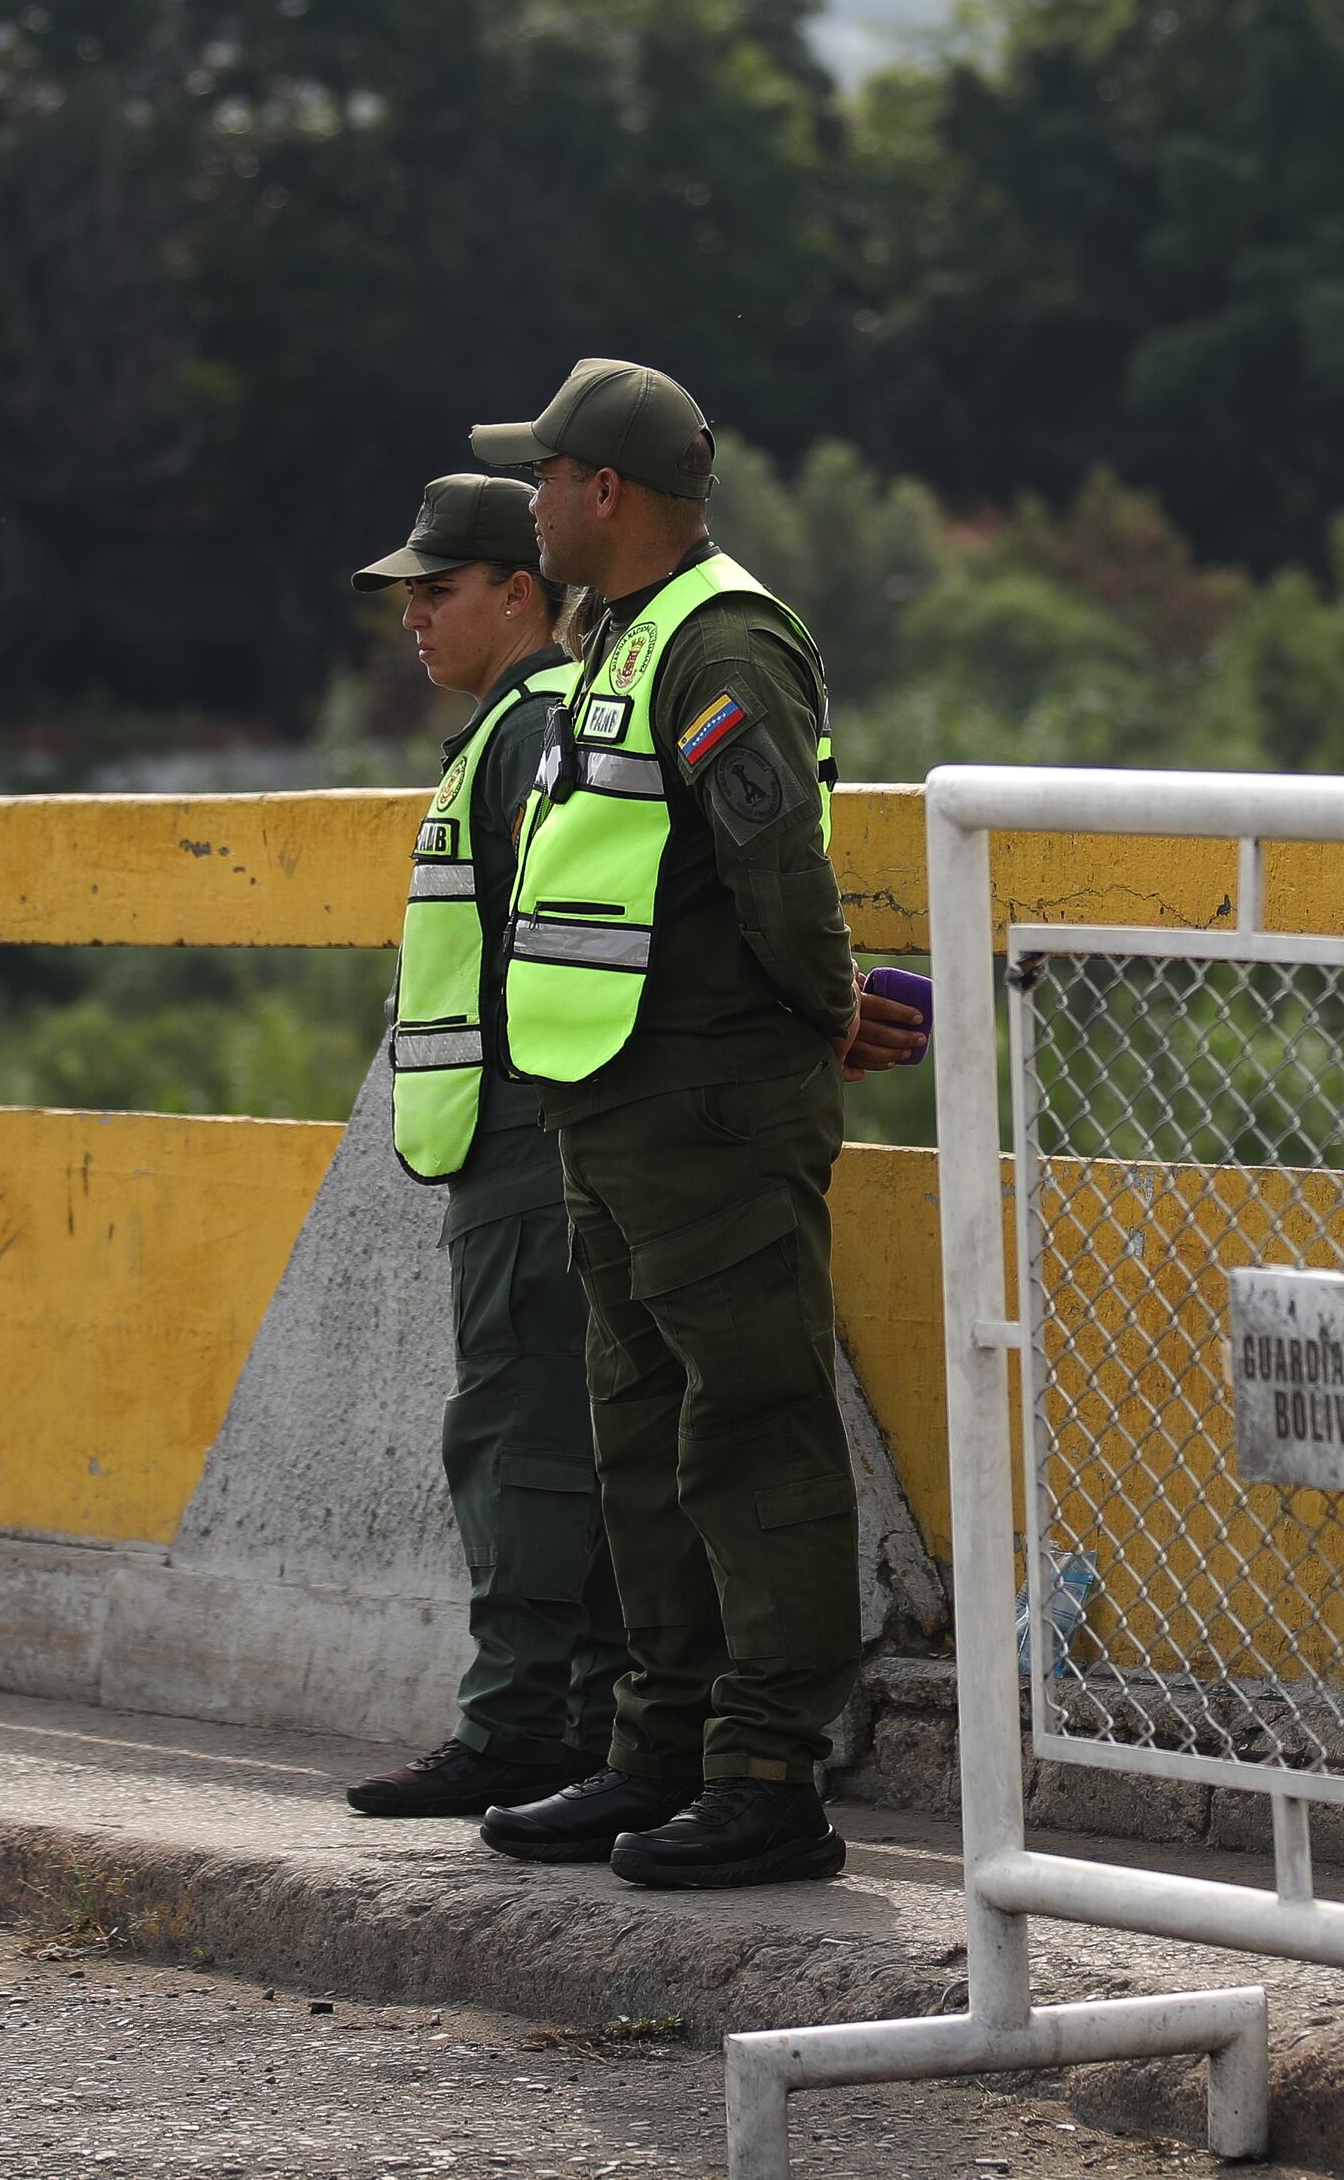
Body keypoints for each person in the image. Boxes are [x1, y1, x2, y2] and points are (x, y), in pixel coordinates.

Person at [462, 356, 925, 1890]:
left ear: (607, 490)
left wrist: (819, 1013)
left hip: (715, 1105)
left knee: (753, 1426)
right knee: (644, 1435)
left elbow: (779, 870)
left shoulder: (722, 642)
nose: (528, 502)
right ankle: (656, 1748)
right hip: (617, 1104)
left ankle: (769, 1771)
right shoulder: (624, 639)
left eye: (541, 477)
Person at [338, 473, 629, 1821]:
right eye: (407, 594)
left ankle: (521, 1729)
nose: (413, 616)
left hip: (530, 1148)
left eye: (439, 588)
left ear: (523, 591)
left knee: (519, 1440)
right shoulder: (526, 727)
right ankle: (578, 1724)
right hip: (521, 1143)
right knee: (566, 1436)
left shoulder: (529, 735)